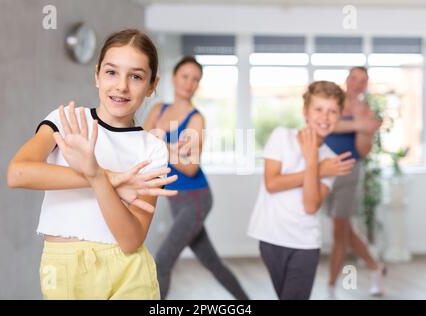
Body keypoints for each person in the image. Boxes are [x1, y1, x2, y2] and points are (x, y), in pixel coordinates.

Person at [7, 29, 179, 300]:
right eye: (112, 72)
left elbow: (131, 240)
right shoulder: (66, 120)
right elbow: (17, 173)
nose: (121, 86)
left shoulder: (153, 148)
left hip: (129, 271)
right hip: (64, 266)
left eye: (136, 76)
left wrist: (98, 177)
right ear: (97, 74)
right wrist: (107, 177)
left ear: (152, 85)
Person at [144, 56, 249, 300]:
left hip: (196, 199)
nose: (189, 83)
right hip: (176, 201)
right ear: (173, 77)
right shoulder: (158, 110)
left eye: (195, 79)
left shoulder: (196, 119)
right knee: (212, 263)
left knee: (162, 261)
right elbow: (142, 143)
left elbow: (190, 168)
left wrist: (161, 144)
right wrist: (172, 148)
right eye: (185, 76)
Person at [248, 81, 355, 300]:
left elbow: (310, 206)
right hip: (270, 239)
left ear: (339, 115)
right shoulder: (281, 137)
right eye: (318, 109)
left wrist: (314, 162)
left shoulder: (331, 161)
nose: (325, 117)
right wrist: (316, 169)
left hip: (304, 245)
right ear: (305, 111)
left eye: (332, 111)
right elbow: (272, 183)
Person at [324, 66, 385, 299]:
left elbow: (363, 149)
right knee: (345, 229)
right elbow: (328, 125)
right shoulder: (332, 101)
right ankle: (375, 268)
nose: (357, 84)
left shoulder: (366, 110)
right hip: (324, 170)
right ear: (347, 79)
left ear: (366, 85)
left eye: (363, 81)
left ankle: (331, 286)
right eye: (354, 78)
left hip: (348, 172)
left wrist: (362, 130)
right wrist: (359, 125)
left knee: (340, 230)